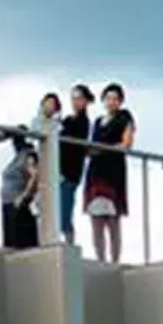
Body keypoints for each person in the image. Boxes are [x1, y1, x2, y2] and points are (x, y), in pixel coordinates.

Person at [0, 92, 58, 250]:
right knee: (10, 248)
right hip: (8, 206)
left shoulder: (27, 154)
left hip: (19, 208)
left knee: (21, 248)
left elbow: (35, 174)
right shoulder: (16, 157)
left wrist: (24, 197)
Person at [85, 82, 135, 262]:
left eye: (115, 99)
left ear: (120, 101)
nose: (111, 102)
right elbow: (90, 146)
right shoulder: (98, 121)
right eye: (108, 98)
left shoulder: (125, 119)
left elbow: (126, 145)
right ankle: (100, 259)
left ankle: (115, 260)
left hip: (113, 172)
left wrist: (104, 149)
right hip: (95, 172)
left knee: (113, 220)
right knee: (96, 219)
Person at [56, 83, 92, 246]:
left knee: (65, 212)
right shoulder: (68, 119)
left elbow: (76, 145)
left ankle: (70, 244)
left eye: (79, 98)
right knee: (55, 211)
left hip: (70, 172)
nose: (76, 101)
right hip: (58, 170)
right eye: (73, 98)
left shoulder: (83, 122)